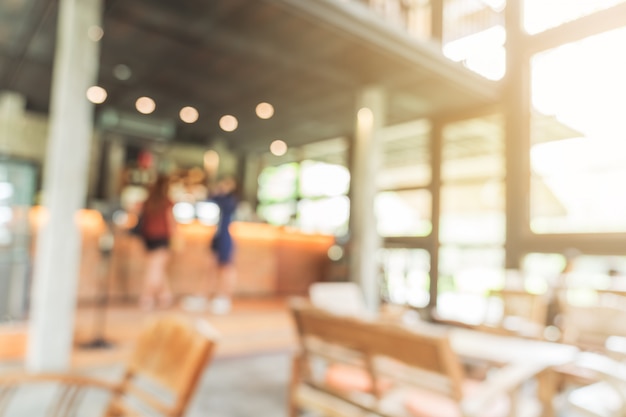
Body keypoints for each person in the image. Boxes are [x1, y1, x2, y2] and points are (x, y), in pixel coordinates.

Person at [137, 175, 175, 311]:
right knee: (155, 269)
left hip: (148, 238)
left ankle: (165, 296)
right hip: (162, 237)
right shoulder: (166, 201)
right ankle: (146, 297)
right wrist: (176, 237)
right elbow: (170, 221)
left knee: (157, 267)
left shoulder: (149, 200)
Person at [208, 176, 238, 314]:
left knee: (226, 268)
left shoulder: (230, 201)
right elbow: (209, 199)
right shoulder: (219, 199)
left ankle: (225, 297)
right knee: (212, 267)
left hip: (225, 237)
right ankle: (211, 296)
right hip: (217, 236)